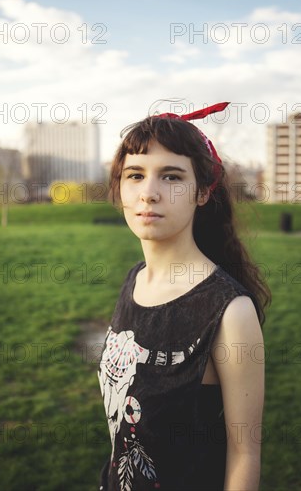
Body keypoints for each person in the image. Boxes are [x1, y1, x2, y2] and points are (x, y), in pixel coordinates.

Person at [97, 101, 271, 491]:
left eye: (172, 177)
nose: (149, 193)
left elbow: (245, 455)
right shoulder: (135, 281)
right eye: (135, 175)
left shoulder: (229, 312)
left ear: (203, 193)